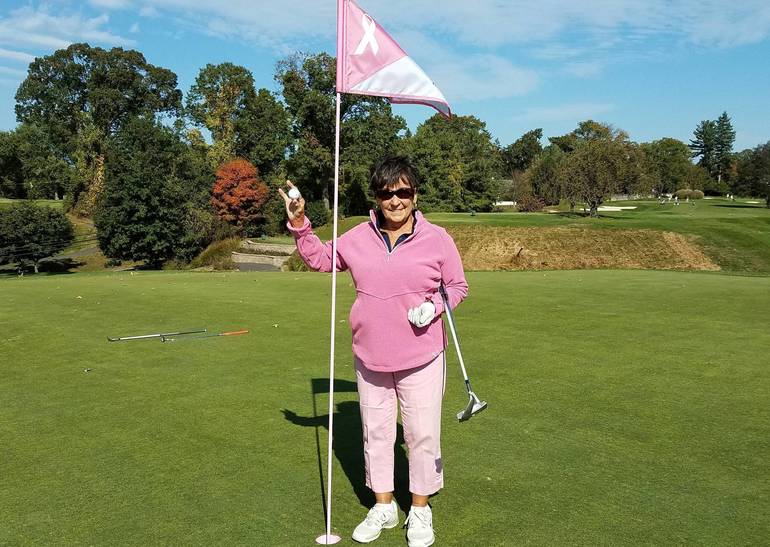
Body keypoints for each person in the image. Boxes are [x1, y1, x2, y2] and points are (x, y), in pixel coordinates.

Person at [279, 156, 468, 547]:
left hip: (422, 355)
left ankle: (420, 509)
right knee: (376, 432)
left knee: (421, 434)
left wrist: (434, 306)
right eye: (386, 193)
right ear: (377, 197)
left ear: (415, 194)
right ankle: (384, 505)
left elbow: (457, 287)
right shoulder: (358, 237)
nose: (395, 200)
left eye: (403, 192)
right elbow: (321, 259)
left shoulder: (438, 239)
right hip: (370, 355)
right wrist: (300, 222)